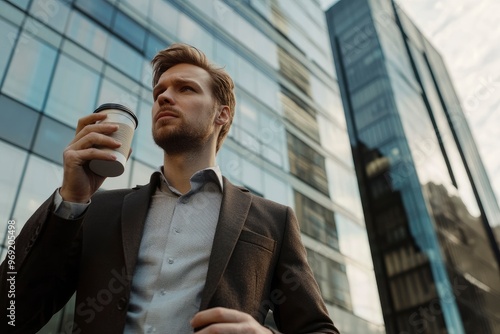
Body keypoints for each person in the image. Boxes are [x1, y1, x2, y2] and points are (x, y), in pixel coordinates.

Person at [0, 43, 339, 334]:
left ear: (222, 114)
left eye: (185, 89)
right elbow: (11, 313)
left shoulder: (273, 220)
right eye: (159, 92)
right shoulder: (100, 209)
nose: (164, 97)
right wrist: (71, 200)